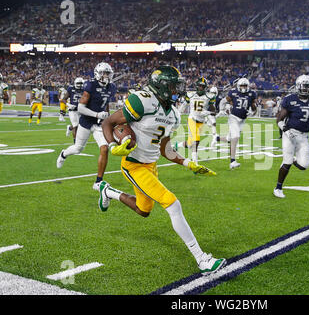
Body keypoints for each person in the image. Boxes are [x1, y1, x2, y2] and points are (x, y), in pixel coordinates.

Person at [100, 65, 226, 276]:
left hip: (151, 165)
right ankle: (202, 259)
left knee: (143, 210)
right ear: (161, 86)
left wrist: (189, 164)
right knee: (172, 204)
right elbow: (109, 122)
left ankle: (108, 192)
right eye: (173, 86)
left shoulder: (174, 114)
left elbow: (165, 148)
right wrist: (114, 145)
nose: (177, 90)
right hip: (133, 164)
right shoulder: (143, 101)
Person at [56, 63, 116, 191]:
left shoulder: (112, 87)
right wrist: (96, 114)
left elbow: (106, 104)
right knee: (78, 148)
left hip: (99, 123)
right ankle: (64, 154)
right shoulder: (90, 85)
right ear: (97, 73)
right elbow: (81, 108)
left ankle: (98, 181)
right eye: (104, 73)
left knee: (104, 148)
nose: (106, 76)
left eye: (108, 73)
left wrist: (107, 116)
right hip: (86, 121)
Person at [273, 75, 309, 198]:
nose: (306, 88)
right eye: (304, 86)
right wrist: (286, 130)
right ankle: (278, 188)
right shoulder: (289, 99)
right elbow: (279, 119)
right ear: (298, 86)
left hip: (304, 136)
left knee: (303, 166)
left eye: (308, 86)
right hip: (290, 134)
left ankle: (292, 159)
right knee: (287, 162)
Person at [215, 78, 257, 169]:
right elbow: (223, 101)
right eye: (242, 85)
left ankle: (216, 138)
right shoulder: (233, 92)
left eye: (245, 86)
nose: (243, 87)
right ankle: (232, 161)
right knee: (236, 136)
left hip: (242, 120)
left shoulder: (252, 94)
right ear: (238, 86)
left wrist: (252, 113)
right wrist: (221, 110)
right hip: (233, 117)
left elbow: (254, 108)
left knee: (229, 139)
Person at [176, 77, 216, 163]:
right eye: (199, 86)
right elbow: (184, 106)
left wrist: (207, 112)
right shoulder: (191, 94)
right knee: (196, 141)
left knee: (190, 143)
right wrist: (178, 113)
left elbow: (214, 111)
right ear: (196, 86)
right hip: (192, 119)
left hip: (201, 121)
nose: (201, 88)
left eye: (202, 86)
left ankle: (177, 145)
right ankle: (195, 162)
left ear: (205, 87)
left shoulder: (209, 96)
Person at [65, 77, 85, 142]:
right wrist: (69, 105)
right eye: (78, 83)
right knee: (76, 125)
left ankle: (69, 128)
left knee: (79, 126)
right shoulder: (71, 89)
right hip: (72, 110)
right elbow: (63, 99)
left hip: (81, 110)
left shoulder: (84, 90)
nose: (79, 85)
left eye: (81, 83)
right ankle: (75, 143)